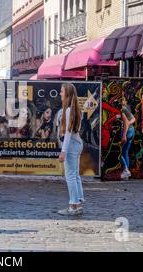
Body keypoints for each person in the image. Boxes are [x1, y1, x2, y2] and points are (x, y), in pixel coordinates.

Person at [57, 84, 84, 216]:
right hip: (77, 142)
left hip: (72, 144)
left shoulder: (68, 110)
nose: (60, 94)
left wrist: (63, 151)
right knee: (75, 175)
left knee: (71, 176)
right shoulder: (76, 109)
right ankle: (77, 204)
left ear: (67, 94)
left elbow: (68, 133)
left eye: (61, 92)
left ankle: (73, 205)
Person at [120, 96, 136, 180]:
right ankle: (126, 171)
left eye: (123, 100)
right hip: (131, 131)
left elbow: (129, 120)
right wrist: (129, 124)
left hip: (127, 131)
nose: (122, 101)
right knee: (125, 152)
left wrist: (124, 134)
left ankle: (126, 169)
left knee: (120, 153)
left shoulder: (122, 109)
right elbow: (133, 118)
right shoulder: (125, 109)